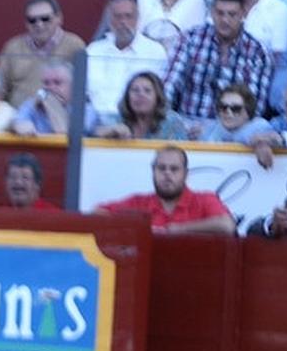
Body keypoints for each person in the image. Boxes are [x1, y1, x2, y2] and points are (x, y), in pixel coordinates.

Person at [162, 0, 274, 122]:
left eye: (232, 14)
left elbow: (255, 106)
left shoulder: (257, 52)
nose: (225, 20)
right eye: (220, 13)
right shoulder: (190, 39)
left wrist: (216, 129)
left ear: (243, 14)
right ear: (212, 13)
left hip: (233, 129)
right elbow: (169, 84)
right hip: (188, 123)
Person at [96, 145, 236, 235]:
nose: (167, 174)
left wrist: (178, 230)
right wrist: (133, 228)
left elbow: (227, 225)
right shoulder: (138, 202)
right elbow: (97, 213)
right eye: (161, 168)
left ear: (185, 174)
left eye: (174, 169)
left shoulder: (205, 199)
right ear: (153, 171)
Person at [84, 0, 168, 118]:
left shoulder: (155, 51)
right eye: (117, 17)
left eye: (128, 16)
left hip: (137, 122)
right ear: (109, 20)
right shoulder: (93, 51)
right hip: (96, 121)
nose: (123, 22)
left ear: (138, 19)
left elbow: (158, 97)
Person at [0, 0, 86, 108]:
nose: (39, 24)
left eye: (45, 19)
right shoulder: (13, 47)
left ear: (59, 18)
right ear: (26, 23)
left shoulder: (75, 45)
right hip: (17, 119)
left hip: (60, 118)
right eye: (32, 20)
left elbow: (83, 88)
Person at [12, 61, 98, 137]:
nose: (50, 88)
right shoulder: (32, 105)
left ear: (73, 87)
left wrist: (51, 104)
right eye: (46, 83)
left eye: (57, 83)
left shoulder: (85, 109)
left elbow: (65, 135)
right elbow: (19, 124)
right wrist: (21, 126)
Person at [96, 71, 190, 141]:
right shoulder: (117, 119)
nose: (141, 95)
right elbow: (95, 133)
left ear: (158, 97)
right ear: (127, 97)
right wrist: (111, 131)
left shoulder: (172, 122)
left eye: (147, 91)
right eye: (135, 90)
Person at [197, 83, 272, 143]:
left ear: (248, 112)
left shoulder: (261, 128)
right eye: (223, 107)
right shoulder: (210, 130)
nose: (228, 112)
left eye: (235, 108)